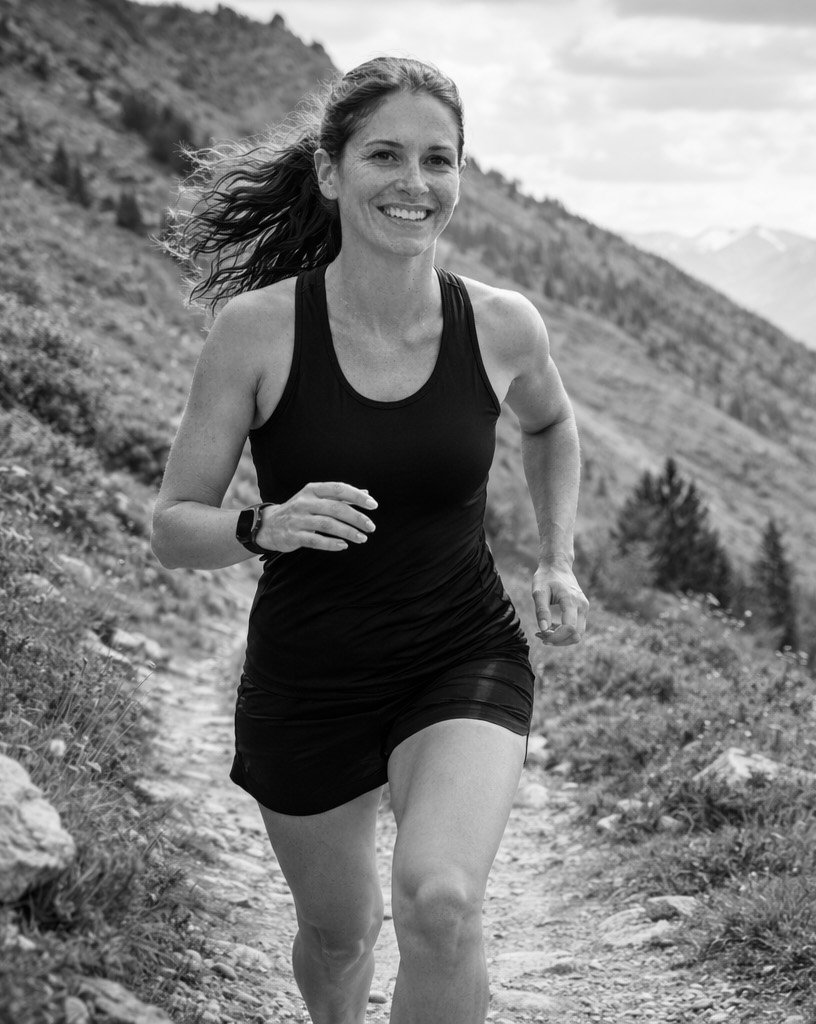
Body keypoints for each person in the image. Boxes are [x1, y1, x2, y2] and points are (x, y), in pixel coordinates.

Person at [150, 56, 587, 1024]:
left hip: (460, 651)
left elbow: (553, 427)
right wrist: (264, 525)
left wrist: (554, 556)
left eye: (440, 159)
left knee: (442, 902)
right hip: (310, 678)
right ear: (330, 170)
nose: (415, 183)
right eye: (385, 154)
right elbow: (175, 526)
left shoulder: (502, 324)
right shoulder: (257, 332)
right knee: (340, 936)